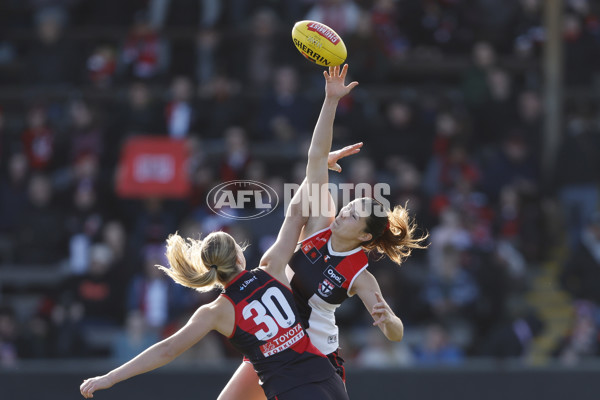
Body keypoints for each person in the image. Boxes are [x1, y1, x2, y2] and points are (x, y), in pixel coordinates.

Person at [219, 65, 427, 400]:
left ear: (364, 237)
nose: (345, 211)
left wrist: (387, 319)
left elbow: (396, 335)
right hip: (276, 342)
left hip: (315, 359)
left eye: (355, 214)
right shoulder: (321, 223)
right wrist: (331, 99)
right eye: (351, 205)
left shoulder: (359, 273)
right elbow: (315, 158)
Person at [80, 220, 349, 399]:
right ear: (239, 256)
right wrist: (320, 166)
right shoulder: (272, 267)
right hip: (327, 378)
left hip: (291, 389)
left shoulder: (216, 311)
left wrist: (110, 378)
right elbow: (296, 212)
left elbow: (166, 350)